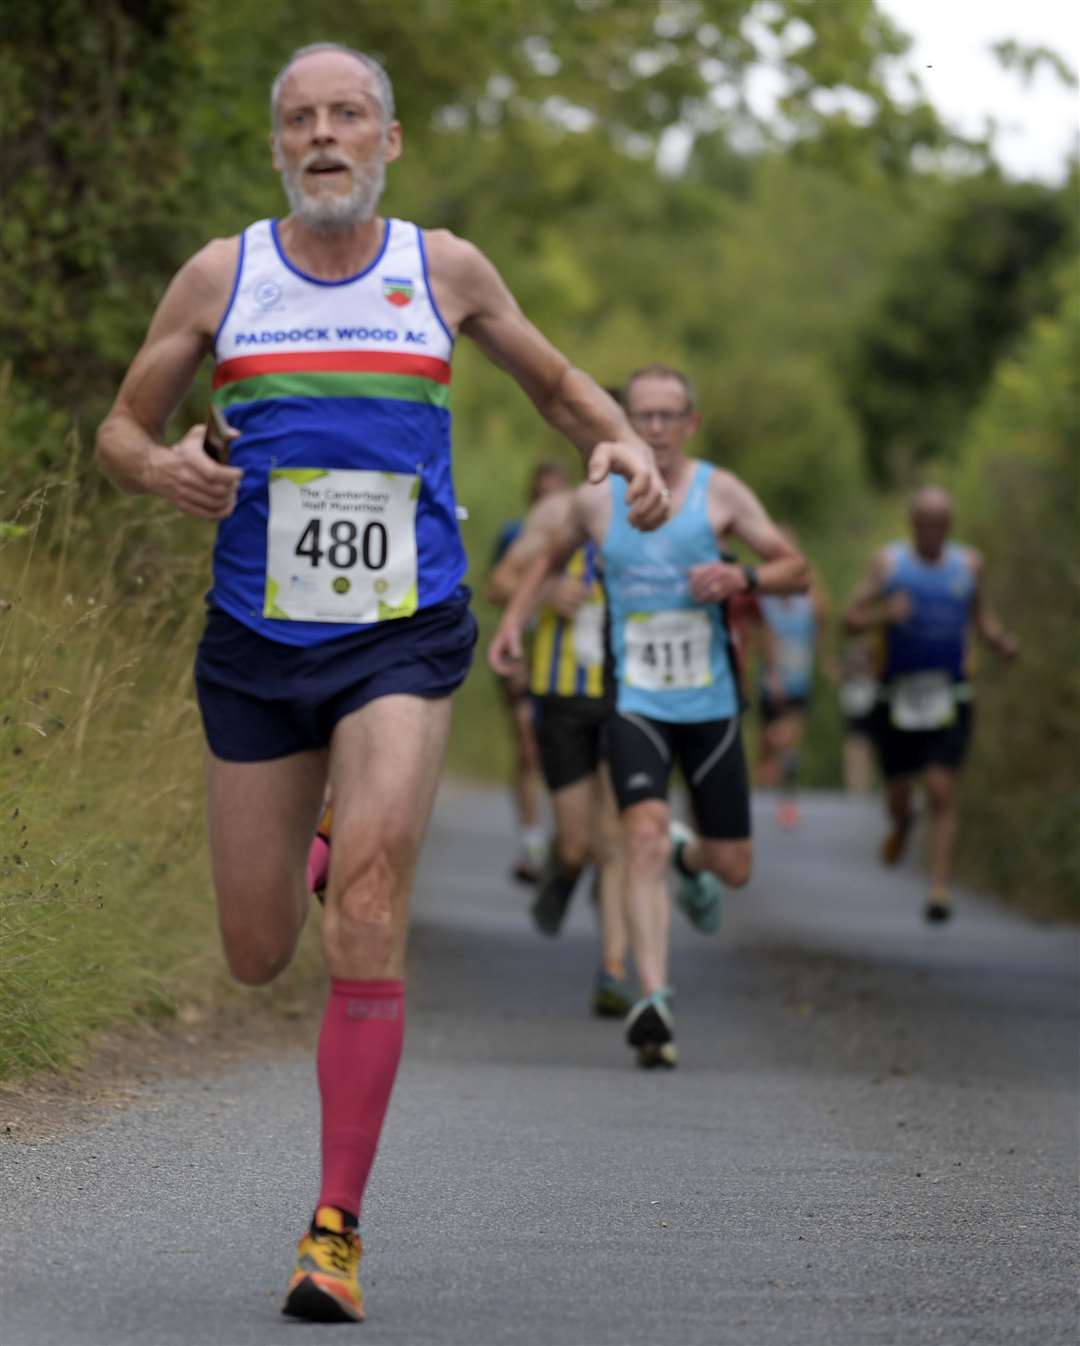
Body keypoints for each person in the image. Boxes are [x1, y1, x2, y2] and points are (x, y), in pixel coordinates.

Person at [94, 42, 667, 1326]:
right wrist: (162, 467)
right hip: (254, 639)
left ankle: (333, 1231)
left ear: (389, 141)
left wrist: (616, 436)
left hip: (402, 630)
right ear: (278, 147)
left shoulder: (441, 267)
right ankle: (327, 829)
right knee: (255, 952)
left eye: (349, 114)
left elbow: (560, 384)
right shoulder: (221, 275)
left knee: (370, 897)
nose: (325, 135)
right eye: (300, 118)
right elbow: (122, 430)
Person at [490, 363, 808, 1068]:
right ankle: (654, 1000)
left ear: (691, 423)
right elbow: (546, 562)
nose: (657, 429)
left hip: (711, 704)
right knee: (637, 834)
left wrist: (743, 576)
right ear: (624, 424)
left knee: (733, 867)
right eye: (644, 417)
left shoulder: (720, 493)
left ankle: (689, 859)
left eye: (670, 416)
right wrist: (515, 623)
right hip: (632, 702)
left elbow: (798, 569)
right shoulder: (596, 502)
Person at [488, 484, 631, 1017]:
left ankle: (615, 968)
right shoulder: (558, 514)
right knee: (577, 845)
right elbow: (499, 582)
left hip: (629, 695)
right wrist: (545, 592)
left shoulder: (660, 509)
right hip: (565, 697)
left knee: (614, 837)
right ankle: (563, 871)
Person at [844, 486, 1017, 923]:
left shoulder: (969, 565)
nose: (933, 532)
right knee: (899, 795)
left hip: (949, 695)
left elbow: (982, 617)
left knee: (942, 789)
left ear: (950, 526)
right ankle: (902, 823)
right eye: (925, 524)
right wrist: (884, 615)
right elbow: (850, 619)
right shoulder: (889, 564)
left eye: (941, 525)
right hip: (897, 696)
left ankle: (939, 888)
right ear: (912, 523)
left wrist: (999, 641)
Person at [486, 461, 571, 885]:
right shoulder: (516, 535)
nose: (550, 503)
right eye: (542, 496)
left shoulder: (588, 531)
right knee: (527, 747)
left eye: (557, 493)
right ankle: (533, 841)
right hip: (522, 654)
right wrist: (542, 592)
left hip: (571, 661)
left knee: (563, 751)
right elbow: (495, 586)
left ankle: (569, 842)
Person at [753, 534, 831, 828]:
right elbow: (762, 639)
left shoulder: (808, 600)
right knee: (770, 739)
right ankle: (765, 769)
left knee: (788, 741)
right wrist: (772, 674)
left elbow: (822, 620)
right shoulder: (764, 599)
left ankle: (787, 802)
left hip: (800, 682)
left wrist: (824, 659)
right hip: (772, 682)